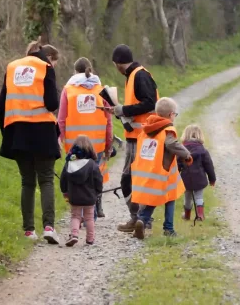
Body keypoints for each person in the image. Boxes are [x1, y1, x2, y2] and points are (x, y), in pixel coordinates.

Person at [0, 40, 62, 244]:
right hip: (43, 130)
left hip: (18, 132)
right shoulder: (45, 67)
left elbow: (1, 106)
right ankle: (49, 227)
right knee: (46, 179)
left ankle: (28, 231)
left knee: (27, 182)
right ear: (44, 54)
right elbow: (52, 103)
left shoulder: (12, 67)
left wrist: (6, 132)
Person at [109, 44, 159, 233]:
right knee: (129, 180)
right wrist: (120, 112)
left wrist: (124, 110)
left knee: (134, 180)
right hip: (134, 137)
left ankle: (142, 220)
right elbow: (139, 106)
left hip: (143, 138)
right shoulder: (132, 76)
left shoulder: (139, 75)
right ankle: (137, 218)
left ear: (117, 64)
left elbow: (150, 103)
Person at [57, 57, 113, 219]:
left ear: (75, 71)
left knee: (77, 177)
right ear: (91, 70)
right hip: (97, 145)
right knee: (96, 177)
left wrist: (59, 141)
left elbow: (61, 120)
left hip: (75, 146)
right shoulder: (101, 90)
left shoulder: (68, 90)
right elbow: (108, 121)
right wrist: (109, 144)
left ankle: (80, 215)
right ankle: (94, 212)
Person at [130, 97, 193, 239]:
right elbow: (172, 144)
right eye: (175, 115)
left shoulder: (146, 128)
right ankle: (168, 229)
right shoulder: (167, 130)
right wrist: (187, 155)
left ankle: (141, 221)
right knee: (169, 198)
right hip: (162, 173)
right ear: (171, 114)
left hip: (147, 171)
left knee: (155, 199)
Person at [60, 136, 104, 247]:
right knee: (89, 217)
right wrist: (98, 192)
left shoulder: (69, 164)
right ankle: (90, 239)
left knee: (75, 216)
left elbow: (63, 179)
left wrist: (65, 191)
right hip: (89, 196)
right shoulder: (92, 165)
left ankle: (74, 235)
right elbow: (98, 180)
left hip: (74, 196)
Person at [179, 125, 216, 221]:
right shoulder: (203, 151)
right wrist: (212, 179)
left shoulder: (181, 150)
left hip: (185, 179)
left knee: (187, 197)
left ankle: (187, 215)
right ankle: (200, 215)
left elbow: (177, 165)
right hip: (199, 178)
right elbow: (209, 166)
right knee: (198, 196)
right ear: (200, 135)